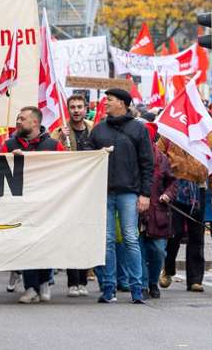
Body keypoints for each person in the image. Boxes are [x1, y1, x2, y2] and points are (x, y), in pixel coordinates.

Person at [88, 88, 154, 304]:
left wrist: (145, 194)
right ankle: (108, 288)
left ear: (123, 103)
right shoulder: (98, 130)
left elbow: (147, 163)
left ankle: (136, 288)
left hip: (129, 193)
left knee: (130, 239)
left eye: (110, 100)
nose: (105, 103)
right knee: (106, 241)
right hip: (103, 192)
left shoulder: (138, 129)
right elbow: (85, 160)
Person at [0, 106, 64, 303]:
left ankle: (44, 281)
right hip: (20, 203)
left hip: (46, 203)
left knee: (44, 242)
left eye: (22, 118)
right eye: (18, 118)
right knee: (24, 243)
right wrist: (11, 159)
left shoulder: (53, 145)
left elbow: (65, 169)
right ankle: (30, 287)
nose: (18, 122)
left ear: (35, 122)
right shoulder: (8, 144)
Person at [159, 137, 209, 293]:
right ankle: (168, 269)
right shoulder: (169, 134)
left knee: (197, 235)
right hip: (175, 186)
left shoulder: (207, 136)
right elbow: (158, 157)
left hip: (198, 188)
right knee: (175, 232)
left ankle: (195, 279)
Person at [57, 93, 94, 297]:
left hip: (90, 189)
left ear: (85, 108)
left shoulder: (93, 129)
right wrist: (61, 139)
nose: (77, 110)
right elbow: (54, 154)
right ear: (68, 109)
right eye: (73, 107)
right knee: (72, 235)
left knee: (86, 235)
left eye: (80, 106)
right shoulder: (60, 131)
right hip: (70, 190)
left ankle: (83, 280)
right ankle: (73, 281)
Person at [140, 134, 176, 300]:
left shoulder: (162, 159)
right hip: (138, 213)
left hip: (158, 213)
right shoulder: (133, 158)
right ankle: (142, 284)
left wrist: (168, 194)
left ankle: (153, 281)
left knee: (158, 251)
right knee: (139, 252)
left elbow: (173, 182)